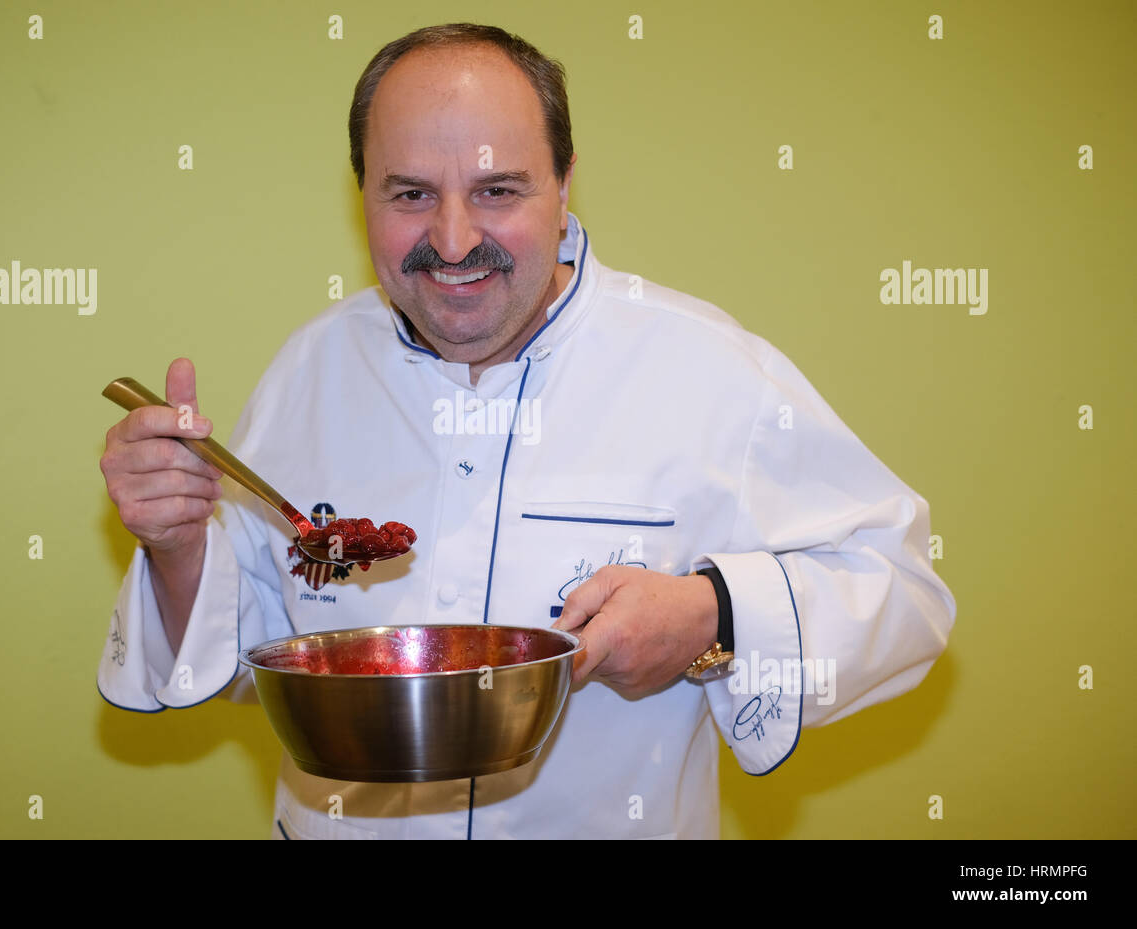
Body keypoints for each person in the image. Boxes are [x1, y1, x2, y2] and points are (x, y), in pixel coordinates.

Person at [97, 23, 956, 839]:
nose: (454, 238)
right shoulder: (311, 369)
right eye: (411, 195)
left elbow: (908, 593)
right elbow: (247, 658)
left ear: (565, 181)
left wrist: (713, 614)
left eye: (497, 190)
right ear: (361, 189)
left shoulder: (708, 368)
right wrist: (176, 544)